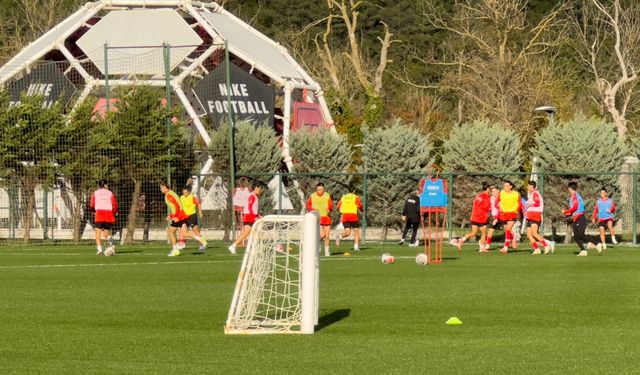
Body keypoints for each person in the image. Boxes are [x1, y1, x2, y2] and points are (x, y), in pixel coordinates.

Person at [563, 181, 599, 256]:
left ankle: (597, 244)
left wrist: (566, 211)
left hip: (580, 217)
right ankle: (583, 251)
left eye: (568, 188)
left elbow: (575, 207)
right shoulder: (574, 196)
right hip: (576, 218)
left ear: (570, 188)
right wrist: (567, 213)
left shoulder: (575, 196)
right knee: (576, 236)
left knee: (581, 235)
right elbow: (574, 209)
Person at [228, 181, 263, 255]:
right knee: (248, 233)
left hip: (250, 216)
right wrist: (254, 217)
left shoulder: (254, 196)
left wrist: (258, 215)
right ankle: (234, 246)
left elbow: (253, 208)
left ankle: (251, 248)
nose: (260, 190)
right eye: (260, 188)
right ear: (256, 188)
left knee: (251, 233)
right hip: (249, 216)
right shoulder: (252, 196)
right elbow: (250, 207)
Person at [455, 182, 491, 252]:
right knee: (484, 233)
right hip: (481, 218)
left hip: (474, 217)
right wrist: (490, 209)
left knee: (473, 233)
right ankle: (482, 248)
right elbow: (486, 207)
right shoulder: (486, 197)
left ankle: (461, 240)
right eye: (489, 189)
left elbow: (476, 204)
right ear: (488, 189)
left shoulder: (478, 196)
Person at [524, 181, 554, 255]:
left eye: (528, 185)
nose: (527, 187)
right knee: (529, 234)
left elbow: (537, 203)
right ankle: (537, 249)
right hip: (530, 215)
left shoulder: (535, 193)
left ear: (531, 186)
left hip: (535, 215)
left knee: (534, 233)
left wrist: (528, 205)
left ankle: (546, 245)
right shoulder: (530, 194)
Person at [160, 182, 189, 257]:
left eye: (161, 188)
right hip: (178, 215)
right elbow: (174, 207)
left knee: (171, 231)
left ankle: (176, 249)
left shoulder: (169, 194)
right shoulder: (168, 194)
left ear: (165, 187)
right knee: (172, 231)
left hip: (179, 216)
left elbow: (178, 206)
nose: (160, 189)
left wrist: (177, 217)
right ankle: (178, 246)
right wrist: (170, 215)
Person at [90, 180, 118, 255]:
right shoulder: (110, 193)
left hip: (99, 213)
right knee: (106, 234)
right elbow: (114, 204)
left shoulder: (95, 193)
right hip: (108, 214)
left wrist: (93, 211)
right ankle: (111, 239)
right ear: (105, 185)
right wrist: (114, 213)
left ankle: (100, 250)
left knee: (97, 234)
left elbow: (92, 204)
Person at [306, 182, 333, 256]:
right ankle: (317, 244)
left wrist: (329, 209)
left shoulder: (327, 195)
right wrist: (312, 209)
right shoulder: (313, 196)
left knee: (327, 236)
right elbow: (308, 205)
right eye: (319, 189)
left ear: (324, 189)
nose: (320, 191)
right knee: (322, 235)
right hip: (318, 218)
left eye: (322, 189)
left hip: (326, 217)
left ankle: (327, 252)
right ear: (316, 189)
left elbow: (330, 205)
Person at [335, 185, 363, 251]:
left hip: (345, 216)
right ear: (354, 191)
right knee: (356, 231)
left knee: (347, 233)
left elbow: (338, 206)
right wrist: (362, 210)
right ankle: (356, 247)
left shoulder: (343, 197)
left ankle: (339, 236)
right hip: (353, 216)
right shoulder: (355, 197)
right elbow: (359, 205)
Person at [180, 186, 208, 252]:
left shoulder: (192, 197)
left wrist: (200, 212)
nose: (184, 194)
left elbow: (198, 203)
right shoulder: (181, 198)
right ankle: (182, 244)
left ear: (189, 192)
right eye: (183, 192)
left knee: (196, 231)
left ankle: (202, 244)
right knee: (182, 232)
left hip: (191, 216)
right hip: (184, 217)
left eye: (186, 192)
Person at [496, 180, 521, 254]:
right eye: (504, 186)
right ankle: (513, 237)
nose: (505, 187)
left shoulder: (516, 194)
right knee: (507, 231)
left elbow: (519, 203)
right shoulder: (502, 193)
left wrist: (516, 211)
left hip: (512, 213)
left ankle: (505, 248)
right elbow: (497, 202)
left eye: (506, 186)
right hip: (504, 214)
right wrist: (499, 207)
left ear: (511, 186)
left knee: (508, 229)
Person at [484, 185, 501, 251]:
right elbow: (490, 207)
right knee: (490, 230)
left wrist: (497, 218)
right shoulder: (491, 198)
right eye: (492, 191)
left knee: (508, 230)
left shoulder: (501, 198)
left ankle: (513, 239)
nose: (493, 192)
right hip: (494, 216)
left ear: (498, 191)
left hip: (501, 216)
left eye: (494, 190)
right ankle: (487, 245)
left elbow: (500, 208)